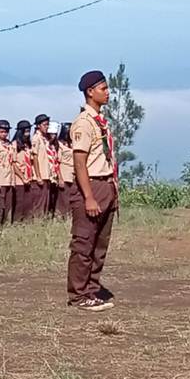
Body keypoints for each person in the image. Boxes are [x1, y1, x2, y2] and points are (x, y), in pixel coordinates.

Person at [68, 70, 118, 312]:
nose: (108, 93)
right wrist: (88, 197)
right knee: (84, 243)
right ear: (90, 92)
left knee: (100, 245)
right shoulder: (84, 123)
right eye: (103, 89)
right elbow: (80, 162)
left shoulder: (100, 121)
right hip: (91, 185)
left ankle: (92, 289)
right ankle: (78, 295)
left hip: (106, 184)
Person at [11, 120, 34, 222]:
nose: (27, 133)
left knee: (28, 203)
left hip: (29, 177)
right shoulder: (15, 145)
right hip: (19, 178)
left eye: (29, 131)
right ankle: (17, 222)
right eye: (26, 131)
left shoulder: (28, 145)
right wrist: (22, 177)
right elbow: (13, 164)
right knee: (19, 202)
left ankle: (27, 222)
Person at [0, 119, 14, 226]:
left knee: (8, 204)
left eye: (6, 131)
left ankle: (7, 224)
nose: (4, 134)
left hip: (9, 178)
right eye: (1, 131)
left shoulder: (9, 144)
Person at [31, 114, 52, 217]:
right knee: (39, 201)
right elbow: (35, 157)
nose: (46, 127)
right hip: (40, 175)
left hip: (46, 174)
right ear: (38, 126)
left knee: (45, 200)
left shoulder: (45, 139)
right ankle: (37, 220)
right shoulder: (36, 138)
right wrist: (38, 175)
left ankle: (43, 218)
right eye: (44, 125)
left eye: (47, 125)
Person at [56, 123, 75, 215]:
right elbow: (57, 162)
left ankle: (69, 214)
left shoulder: (73, 143)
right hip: (64, 171)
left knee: (71, 196)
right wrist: (60, 178)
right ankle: (61, 215)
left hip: (73, 173)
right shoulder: (59, 144)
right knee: (63, 197)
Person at [46, 122, 62, 218]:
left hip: (54, 174)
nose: (53, 136)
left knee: (53, 195)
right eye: (51, 134)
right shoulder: (45, 144)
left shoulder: (54, 146)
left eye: (55, 134)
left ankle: (52, 214)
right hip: (47, 173)